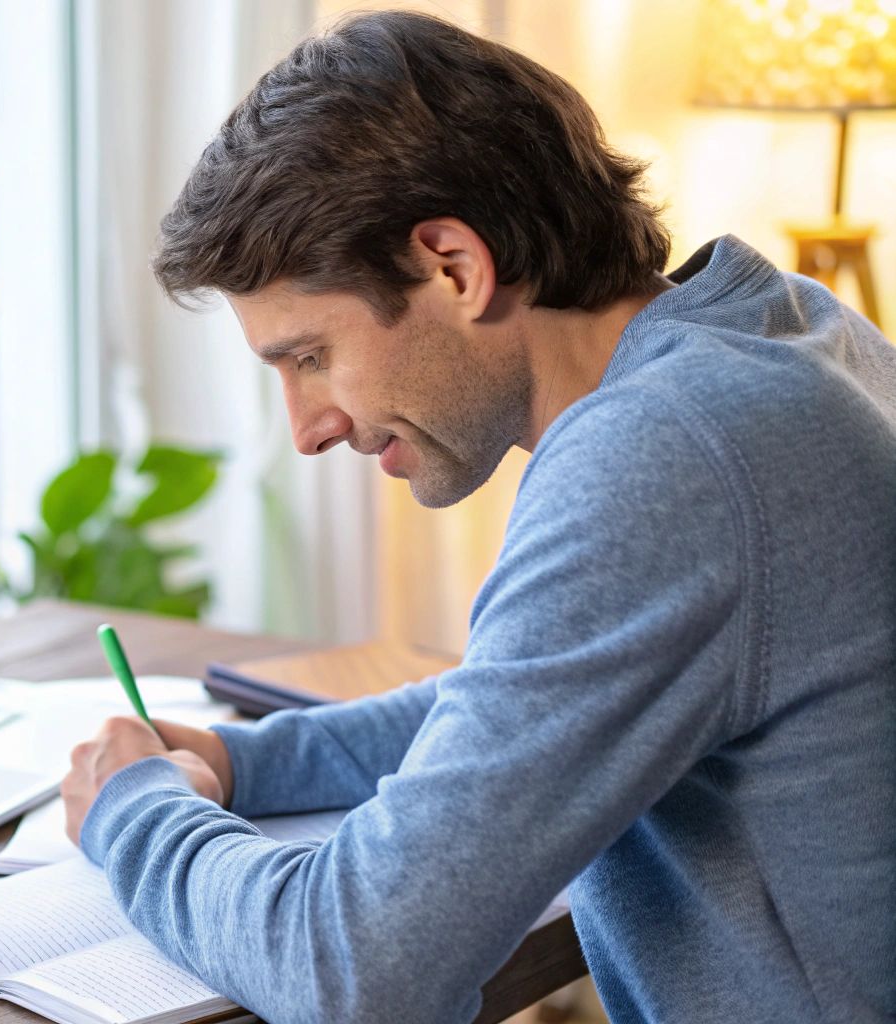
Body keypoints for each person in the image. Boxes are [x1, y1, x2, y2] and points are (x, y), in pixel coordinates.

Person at [57, 10, 896, 1024]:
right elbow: (524, 698)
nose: (308, 428)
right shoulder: (783, 329)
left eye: (309, 356)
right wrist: (246, 762)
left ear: (452, 265)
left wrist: (133, 811)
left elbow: (355, 972)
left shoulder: (664, 455)